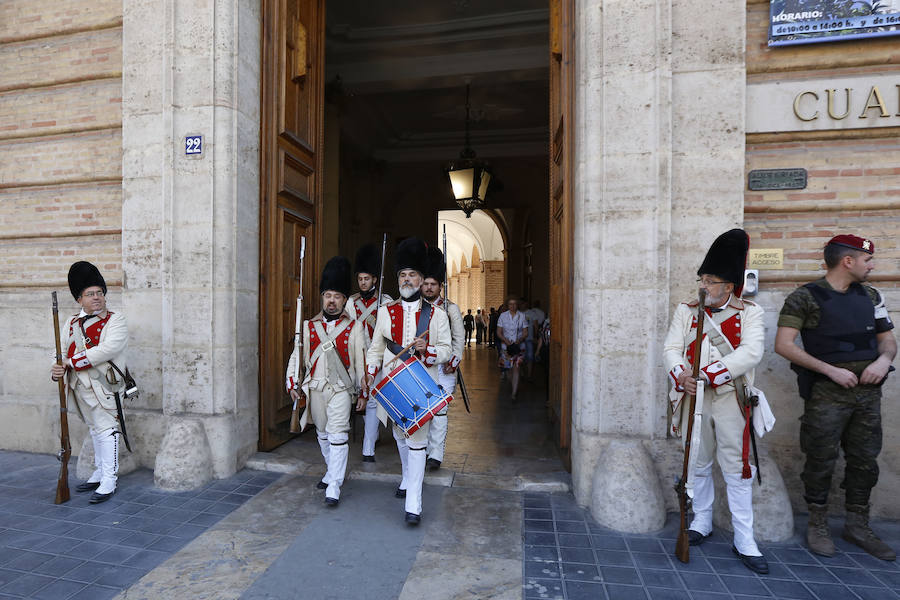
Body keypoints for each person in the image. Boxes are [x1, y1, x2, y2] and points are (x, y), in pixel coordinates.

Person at [774, 234, 896, 561]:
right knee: (820, 459)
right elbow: (784, 345)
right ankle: (818, 524)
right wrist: (830, 370)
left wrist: (884, 361)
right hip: (826, 395)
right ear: (848, 261)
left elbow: (887, 341)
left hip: (868, 396)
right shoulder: (805, 297)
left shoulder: (871, 296)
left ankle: (857, 525)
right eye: (868, 260)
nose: (872, 265)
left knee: (864, 461)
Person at [663, 229, 768, 574]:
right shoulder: (687, 309)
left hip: (728, 398)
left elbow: (751, 352)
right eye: (702, 279)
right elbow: (671, 349)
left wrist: (707, 375)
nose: (703, 285)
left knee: (737, 468)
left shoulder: (750, 312)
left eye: (711, 281)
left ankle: (745, 538)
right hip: (694, 397)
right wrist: (682, 374)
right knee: (699, 460)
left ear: (729, 285)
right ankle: (702, 521)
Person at [364, 237, 451, 525]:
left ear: (421, 278)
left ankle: (414, 503)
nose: (407, 279)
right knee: (401, 436)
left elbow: (448, 350)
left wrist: (430, 350)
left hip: (422, 385)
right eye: (402, 274)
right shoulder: (386, 312)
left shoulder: (436, 315)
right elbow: (377, 346)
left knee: (417, 442)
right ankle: (407, 477)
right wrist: (371, 367)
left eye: (412, 274)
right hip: (393, 384)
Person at [285, 256, 366, 506]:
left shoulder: (354, 328)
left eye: (337, 296)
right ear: (323, 297)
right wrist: (291, 381)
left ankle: (334, 485)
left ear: (344, 300)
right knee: (321, 433)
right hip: (315, 387)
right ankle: (332, 470)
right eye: (327, 295)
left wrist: (363, 391)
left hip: (342, 389)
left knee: (337, 433)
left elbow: (360, 362)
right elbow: (297, 356)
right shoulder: (309, 326)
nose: (331, 300)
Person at [50, 261, 129, 504]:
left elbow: (106, 350)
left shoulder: (116, 320)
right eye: (90, 294)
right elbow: (60, 351)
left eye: (100, 293)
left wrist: (70, 363)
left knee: (108, 430)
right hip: (78, 387)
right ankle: (99, 472)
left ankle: (109, 478)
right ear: (79, 299)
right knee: (95, 429)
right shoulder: (71, 323)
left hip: (105, 386)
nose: (97, 298)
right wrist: (56, 367)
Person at [346, 243, 393, 463]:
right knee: (362, 400)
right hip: (357, 360)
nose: (363, 282)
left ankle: (368, 449)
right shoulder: (351, 302)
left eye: (367, 279)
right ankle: (370, 438)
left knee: (373, 401)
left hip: (379, 359)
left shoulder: (385, 301)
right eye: (360, 279)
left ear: (375, 279)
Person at [421, 246, 464, 471]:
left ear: (440, 286)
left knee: (439, 411)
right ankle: (423, 449)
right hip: (420, 366)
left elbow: (459, 339)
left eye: (433, 284)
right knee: (423, 410)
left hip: (444, 367)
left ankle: (435, 454)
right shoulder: (415, 308)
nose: (429, 288)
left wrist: (453, 362)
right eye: (426, 284)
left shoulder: (451, 309)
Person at [496, 296, 529, 401]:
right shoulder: (503, 316)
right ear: (507, 305)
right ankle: (513, 384)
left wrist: (520, 339)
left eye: (514, 304)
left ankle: (514, 393)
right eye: (510, 304)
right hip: (506, 347)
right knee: (508, 369)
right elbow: (499, 332)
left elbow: (525, 332)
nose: (513, 306)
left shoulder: (522, 316)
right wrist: (506, 340)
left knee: (516, 368)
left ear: (517, 305)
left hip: (518, 347)